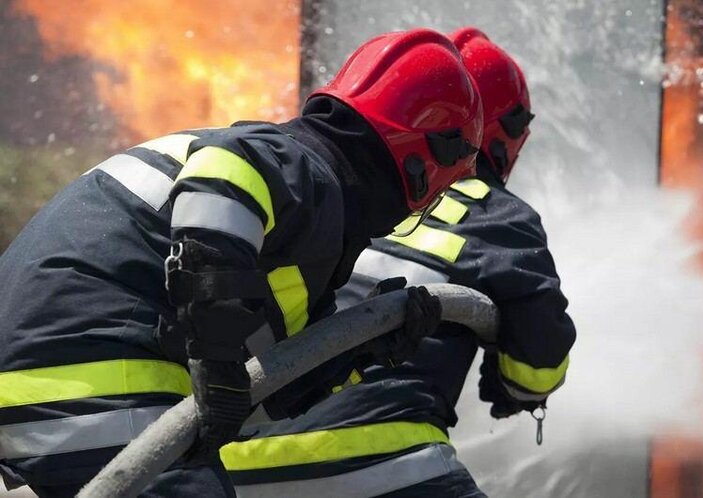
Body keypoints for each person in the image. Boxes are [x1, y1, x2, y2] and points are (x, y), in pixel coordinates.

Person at [0, 28, 483, 497]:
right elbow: (226, 173)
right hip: (90, 372)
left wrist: (364, 353)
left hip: (45, 375)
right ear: (424, 162)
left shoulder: (291, 231)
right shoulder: (301, 167)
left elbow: (251, 400)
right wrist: (215, 356)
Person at [224, 27, 577, 498]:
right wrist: (512, 384)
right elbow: (538, 367)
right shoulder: (495, 214)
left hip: (231, 465)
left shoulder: (329, 190)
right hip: (376, 460)